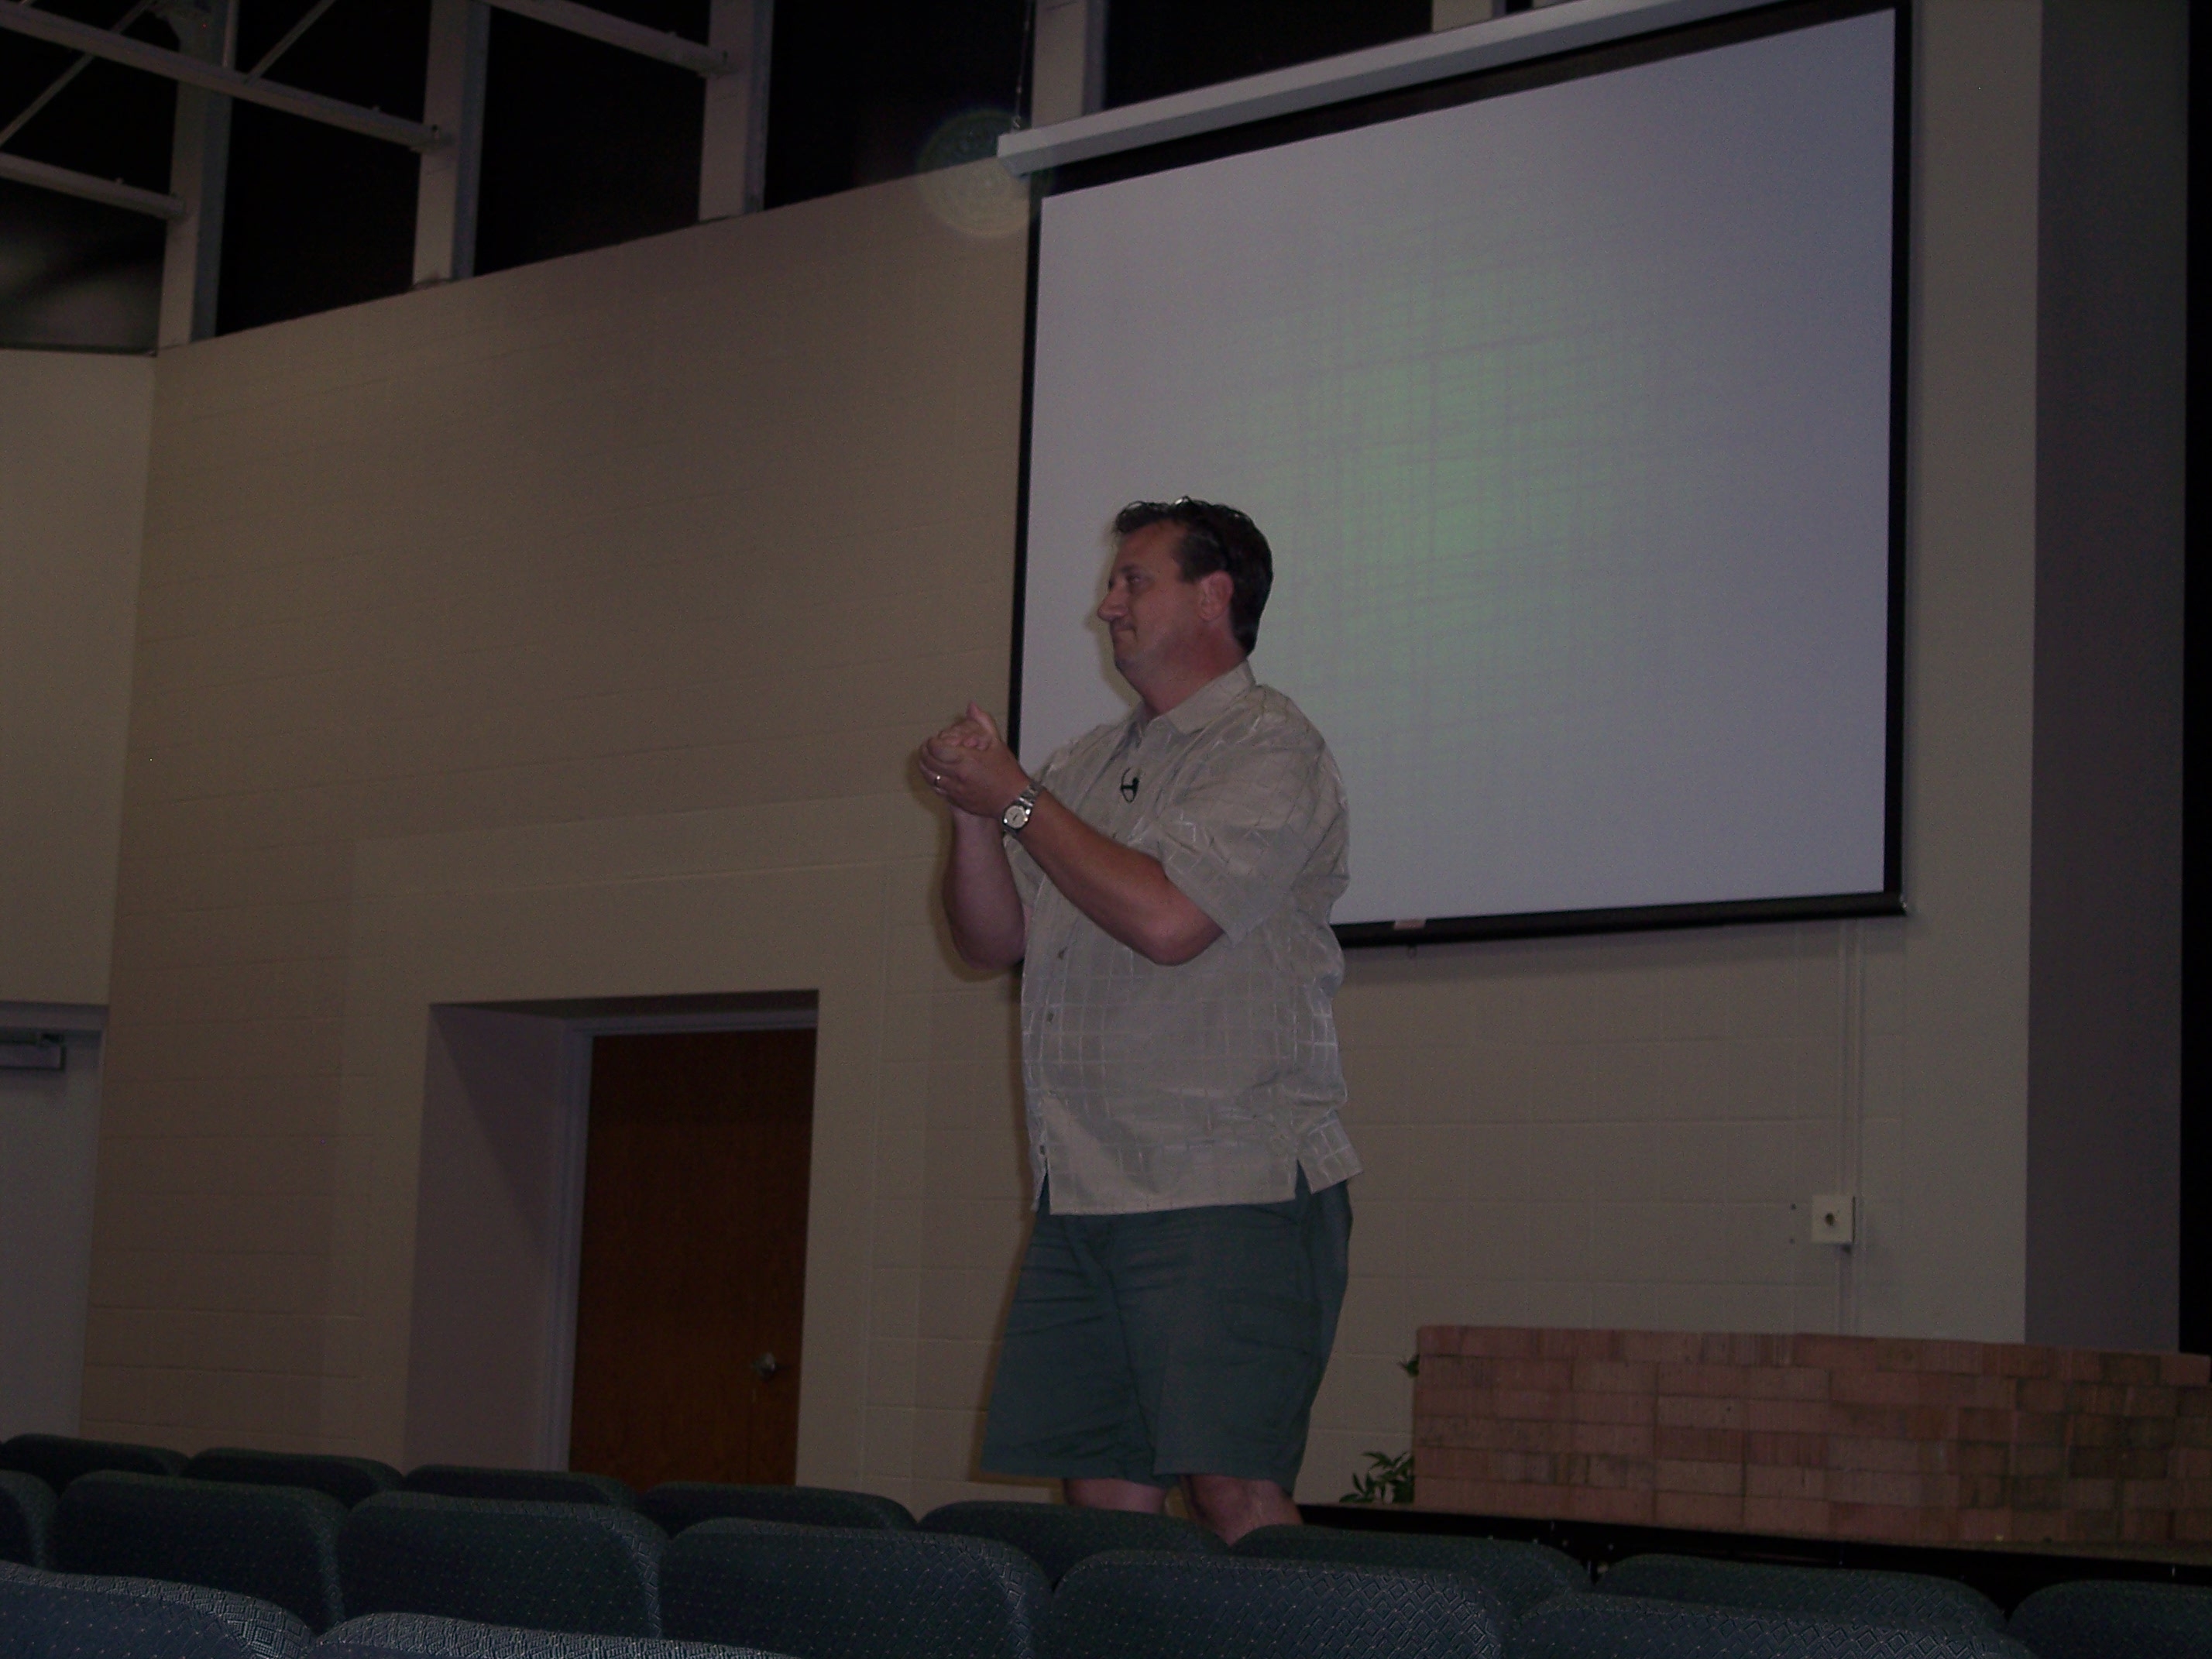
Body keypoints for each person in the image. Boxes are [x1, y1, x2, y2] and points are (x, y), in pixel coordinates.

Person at [916, 498, 1358, 1544]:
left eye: (1134, 581)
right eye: (1113, 583)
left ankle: (1303, 1623)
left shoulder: (1271, 745)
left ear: (1213, 598)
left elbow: (1169, 921)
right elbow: (991, 940)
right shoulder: (1080, 765)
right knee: (1104, 1499)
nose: (1107, 605)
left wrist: (1018, 800)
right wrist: (976, 818)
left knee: (1231, 1490)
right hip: (1084, 1186)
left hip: (1228, 1184)